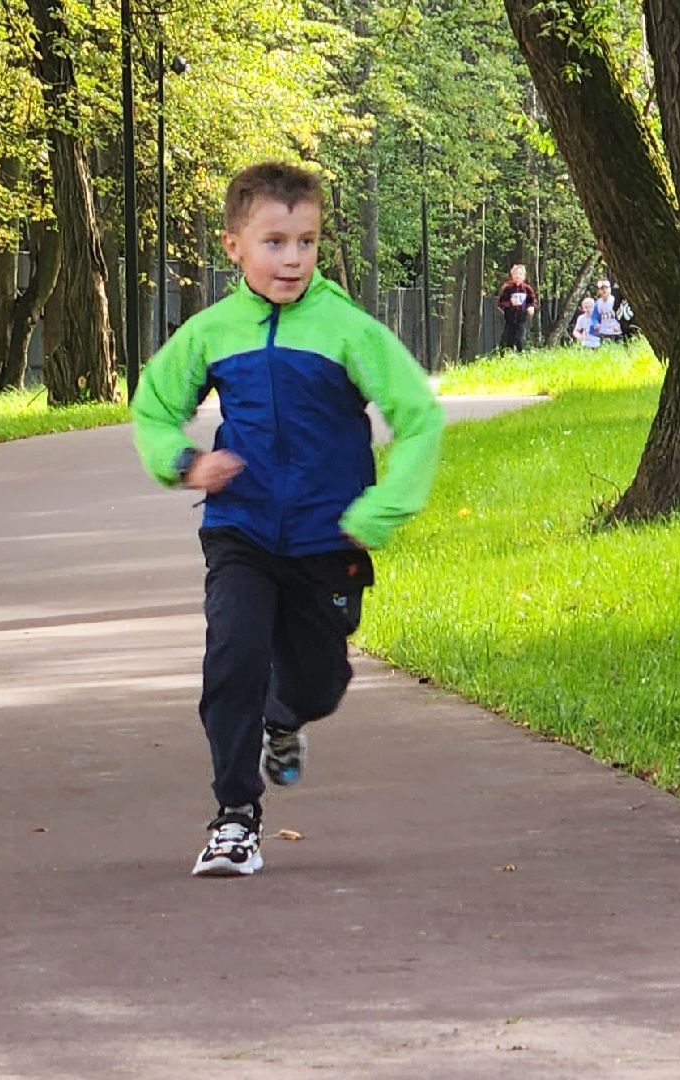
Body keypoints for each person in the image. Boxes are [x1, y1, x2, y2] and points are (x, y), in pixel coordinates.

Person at [131, 162, 444, 878]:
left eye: (306, 241)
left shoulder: (348, 330)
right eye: (274, 242)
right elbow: (153, 408)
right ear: (233, 246)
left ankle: (285, 717)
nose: (293, 259)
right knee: (232, 658)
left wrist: (380, 510)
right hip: (239, 529)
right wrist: (183, 462)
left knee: (316, 682)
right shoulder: (212, 332)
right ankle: (235, 817)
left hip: (327, 538)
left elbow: (418, 417)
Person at [496, 264, 538, 352]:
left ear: (524, 276)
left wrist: (531, 307)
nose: (518, 276)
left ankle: (521, 356)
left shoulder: (527, 289)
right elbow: (500, 303)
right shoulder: (507, 288)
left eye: (520, 274)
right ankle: (506, 358)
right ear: (512, 275)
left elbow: (532, 301)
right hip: (509, 319)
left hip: (522, 319)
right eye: (516, 274)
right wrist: (510, 303)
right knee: (507, 341)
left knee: (520, 339)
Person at [592, 279, 624, 343]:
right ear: (598, 290)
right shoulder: (598, 303)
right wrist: (596, 324)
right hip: (603, 333)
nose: (604, 290)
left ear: (610, 289)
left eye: (606, 287)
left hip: (616, 332)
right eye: (602, 288)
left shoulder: (615, 301)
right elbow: (594, 316)